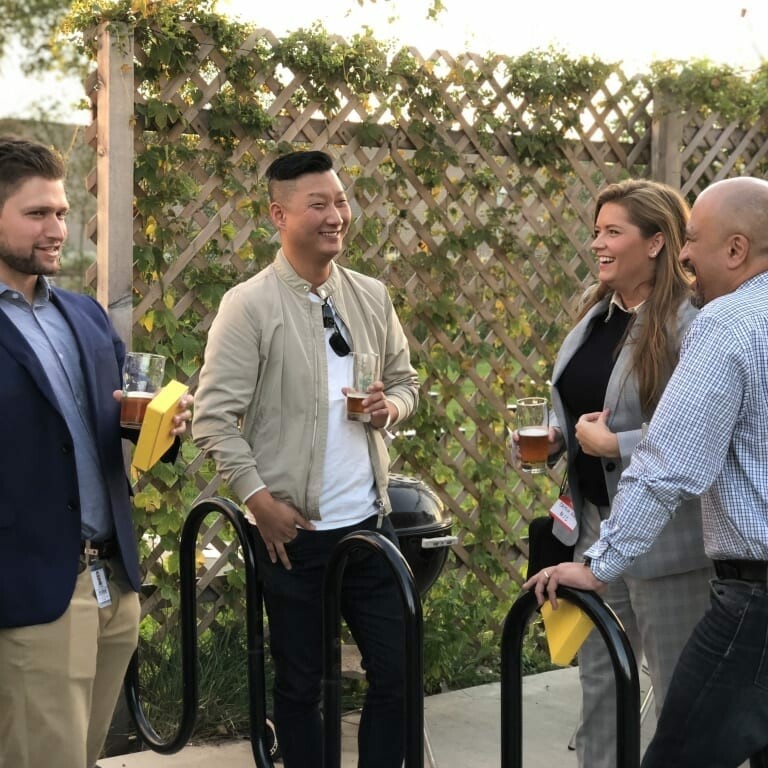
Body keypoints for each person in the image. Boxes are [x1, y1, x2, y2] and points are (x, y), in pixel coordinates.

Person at [525, 175, 768, 767]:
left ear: (735, 250)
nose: (687, 256)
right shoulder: (598, 314)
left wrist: (601, 562)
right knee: (606, 690)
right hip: (597, 522)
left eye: (692, 240)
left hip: (721, 577)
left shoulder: (721, 322)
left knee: (680, 745)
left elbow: (671, 460)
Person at [192, 149, 419, 768]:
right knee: (304, 685)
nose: (336, 215)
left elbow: (406, 384)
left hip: (373, 524)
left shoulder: (371, 296)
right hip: (297, 532)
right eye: (318, 204)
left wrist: (388, 409)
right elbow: (213, 419)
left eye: (341, 200)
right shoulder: (249, 305)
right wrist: (259, 502)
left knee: (399, 674)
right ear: (279, 215)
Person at [0, 136, 193, 768]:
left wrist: (163, 428)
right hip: (32, 592)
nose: (57, 228)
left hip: (115, 583)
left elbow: (118, 434)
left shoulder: (83, 315)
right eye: (37, 214)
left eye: (59, 212)